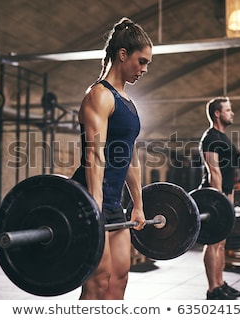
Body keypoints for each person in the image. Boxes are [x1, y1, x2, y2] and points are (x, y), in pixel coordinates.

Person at [71, 17, 153, 300]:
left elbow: (129, 156)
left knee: (119, 277)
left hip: (114, 202)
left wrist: (138, 205)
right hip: (90, 199)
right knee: (97, 280)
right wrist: (96, 207)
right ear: (122, 54)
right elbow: (94, 154)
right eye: (141, 61)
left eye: (147, 64)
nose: (144, 69)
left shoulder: (128, 102)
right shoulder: (99, 95)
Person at [198, 96, 240, 300]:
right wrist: (221, 201)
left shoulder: (223, 137)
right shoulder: (210, 137)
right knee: (214, 242)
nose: (232, 113)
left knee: (222, 243)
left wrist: (230, 198)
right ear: (217, 113)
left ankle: (220, 283)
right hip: (213, 198)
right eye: (228, 110)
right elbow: (213, 171)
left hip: (225, 195)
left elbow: (229, 174)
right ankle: (212, 289)